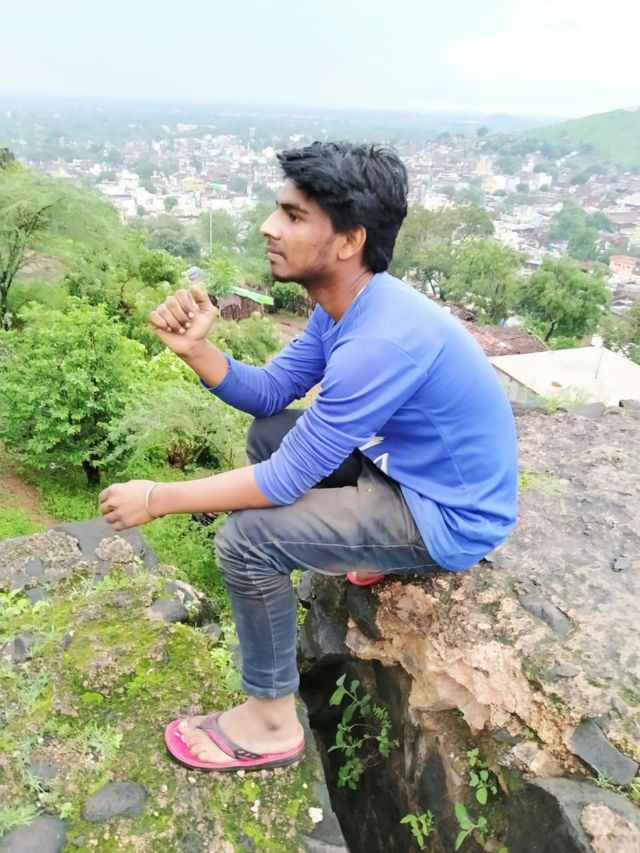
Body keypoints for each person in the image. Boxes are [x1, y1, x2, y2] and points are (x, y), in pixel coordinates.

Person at [99, 142, 518, 774]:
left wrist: (157, 498)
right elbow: (270, 393)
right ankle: (349, 552)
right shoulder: (348, 304)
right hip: (402, 470)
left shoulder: (380, 340)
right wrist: (195, 349)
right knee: (272, 432)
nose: (268, 227)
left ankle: (270, 723)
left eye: (293, 216)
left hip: (448, 515)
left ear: (349, 240)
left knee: (247, 541)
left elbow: (284, 480)